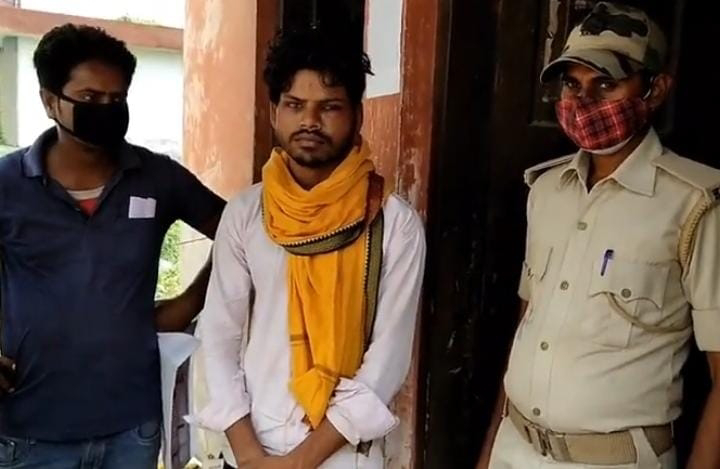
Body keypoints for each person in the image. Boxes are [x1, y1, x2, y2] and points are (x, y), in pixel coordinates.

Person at [476, 3, 720, 468]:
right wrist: (491, 452)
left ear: (655, 89)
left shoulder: (693, 205)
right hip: (515, 447)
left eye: (606, 84)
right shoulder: (546, 191)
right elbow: (528, 328)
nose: (584, 101)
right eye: (573, 84)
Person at [192, 27, 426, 468]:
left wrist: (299, 462)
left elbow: (386, 364)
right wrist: (249, 455)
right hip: (250, 448)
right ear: (274, 112)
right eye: (295, 105)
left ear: (357, 115)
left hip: (343, 457)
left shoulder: (394, 224)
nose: (310, 122)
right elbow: (219, 337)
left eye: (329, 107)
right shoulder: (246, 213)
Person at [0, 24, 225, 468]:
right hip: (29, 432)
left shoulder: (158, 177)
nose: (105, 109)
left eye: (116, 99)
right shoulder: (8, 185)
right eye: (89, 98)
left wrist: (189, 302)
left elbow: (240, 232)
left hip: (131, 428)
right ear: (50, 101)